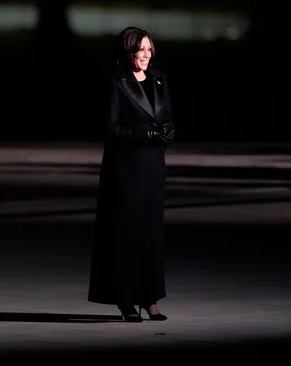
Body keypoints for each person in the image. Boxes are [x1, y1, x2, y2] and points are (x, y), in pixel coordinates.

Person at [87, 26, 175, 322]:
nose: (147, 55)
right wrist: (143, 132)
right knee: (126, 232)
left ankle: (150, 298)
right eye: (142, 50)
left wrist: (166, 131)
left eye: (150, 49)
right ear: (129, 51)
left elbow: (166, 115)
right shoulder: (115, 83)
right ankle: (125, 299)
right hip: (125, 169)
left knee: (151, 232)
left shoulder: (159, 79)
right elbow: (110, 128)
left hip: (152, 166)